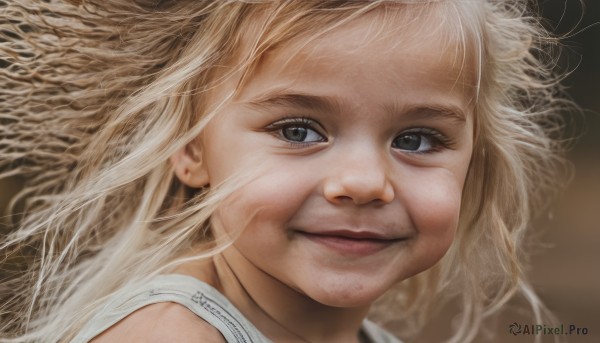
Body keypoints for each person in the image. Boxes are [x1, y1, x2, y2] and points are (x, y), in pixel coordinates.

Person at [0, 0, 573, 342]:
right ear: (191, 147)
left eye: (417, 140)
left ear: (475, 162)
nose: (364, 181)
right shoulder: (167, 334)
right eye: (298, 131)